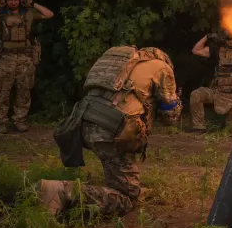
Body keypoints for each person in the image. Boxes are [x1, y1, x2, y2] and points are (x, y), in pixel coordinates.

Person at [44, 46, 183, 218]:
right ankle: (64, 192)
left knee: (116, 166)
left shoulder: (120, 60)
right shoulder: (163, 68)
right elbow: (170, 117)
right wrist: (175, 102)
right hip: (111, 131)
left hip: (81, 123)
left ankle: (121, 183)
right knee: (127, 199)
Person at [0, 0, 54, 133]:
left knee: (24, 90)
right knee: (3, 90)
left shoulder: (29, 14)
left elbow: (49, 14)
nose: (13, 2)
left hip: (25, 57)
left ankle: (20, 120)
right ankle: (0, 122)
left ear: (20, 0)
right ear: (5, 1)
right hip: (6, 57)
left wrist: (33, 4)